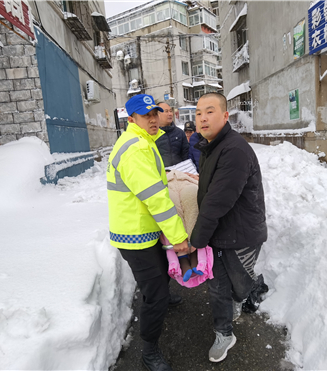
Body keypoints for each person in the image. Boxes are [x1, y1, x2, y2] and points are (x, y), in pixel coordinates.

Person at [107, 94, 193, 371]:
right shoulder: (136, 149)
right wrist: (179, 237)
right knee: (153, 292)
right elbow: (155, 198)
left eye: (155, 114)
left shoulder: (142, 141)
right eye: (147, 116)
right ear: (131, 119)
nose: (154, 120)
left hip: (140, 229)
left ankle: (163, 297)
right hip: (136, 235)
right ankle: (149, 350)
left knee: (158, 279)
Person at [190, 92, 268, 363]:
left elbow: (216, 201)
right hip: (223, 233)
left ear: (225, 116)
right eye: (198, 113)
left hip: (241, 235)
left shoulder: (233, 149)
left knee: (238, 286)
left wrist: (196, 240)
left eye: (209, 111)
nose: (202, 118)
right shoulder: (211, 147)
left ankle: (252, 287)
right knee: (218, 287)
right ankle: (224, 333)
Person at [155, 102, 190, 167]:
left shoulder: (180, 133)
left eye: (170, 111)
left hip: (179, 172)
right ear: (157, 114)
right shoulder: (152, 134)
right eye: (166, 111)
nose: (170, 114)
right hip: (161, 174)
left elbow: (186, 155)